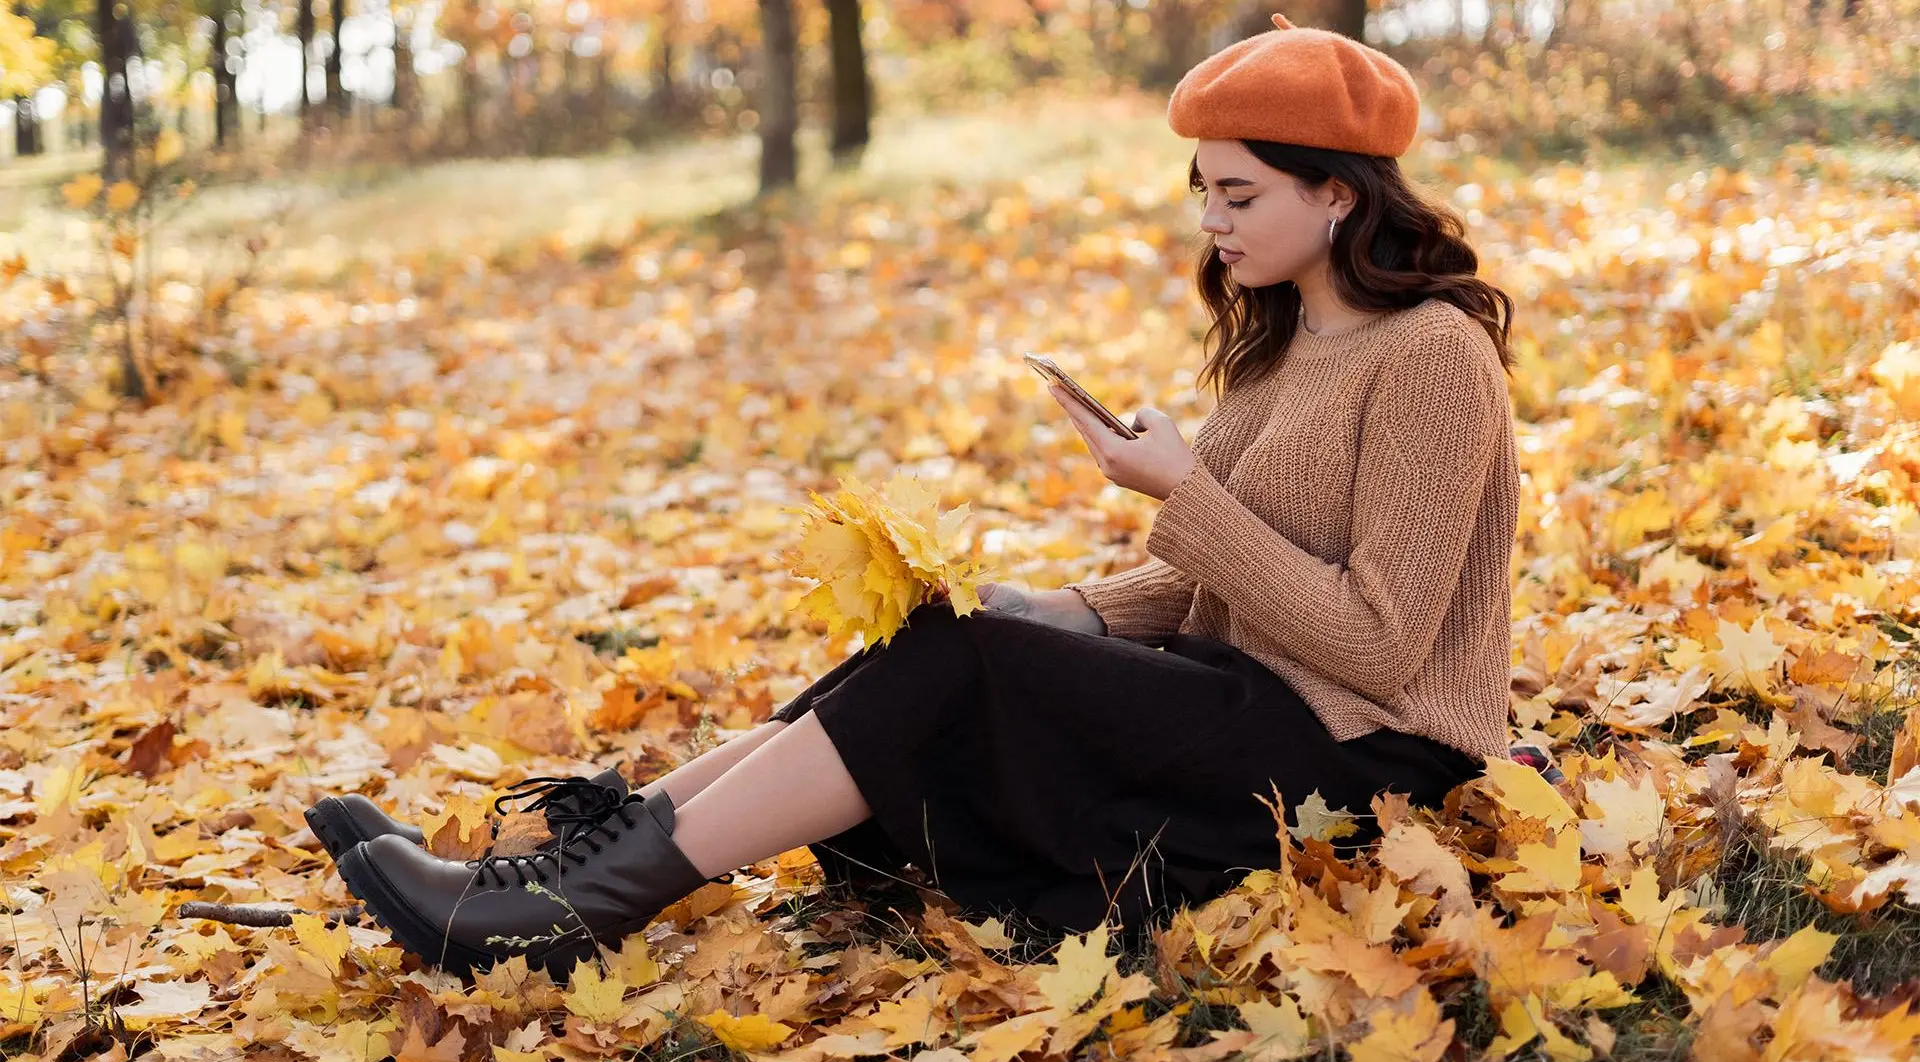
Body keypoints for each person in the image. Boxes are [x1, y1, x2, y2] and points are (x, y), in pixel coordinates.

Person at [309, 11, 1531, 980]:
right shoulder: (1281, 342)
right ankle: (543, 871)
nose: (1211, 221)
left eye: (1240, 194)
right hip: (1259, 702)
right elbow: (1232, 580)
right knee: (943, 635)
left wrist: (1187, 490)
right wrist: (1069, 608)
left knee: (964, 674)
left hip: (1370, 764)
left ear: (1338, 192)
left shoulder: (1429, 354)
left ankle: (573, 910)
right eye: (1201, 191)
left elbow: (1378, 641)